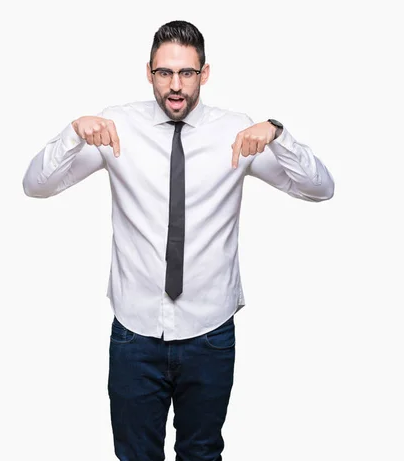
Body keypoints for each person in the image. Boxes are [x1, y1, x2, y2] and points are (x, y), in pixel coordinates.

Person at [22, 19, 334, 461]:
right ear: (149, 72)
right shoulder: (117, 128)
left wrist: (279, 135)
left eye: (187, 73)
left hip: (209, 332)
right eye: (165, 72)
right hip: (135, 334)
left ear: (204, 74)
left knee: (202, 454)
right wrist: (73, 133)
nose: (175, 85)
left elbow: (320, 189)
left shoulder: (235, 132)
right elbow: (36, 185)